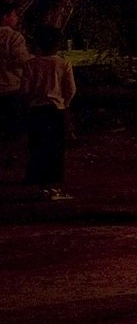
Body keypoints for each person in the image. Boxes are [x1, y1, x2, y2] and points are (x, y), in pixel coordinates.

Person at [21, 24, 75, 201]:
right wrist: (64, 103)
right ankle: (54, 184)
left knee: (37, 145)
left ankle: (40, 183)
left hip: (36, 110)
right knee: (56, 147)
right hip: (55, 111)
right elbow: (70, 89)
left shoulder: (31, 64)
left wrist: (29, 103)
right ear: (57, 44)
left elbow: (25, 89)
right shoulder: (63, 63)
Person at [0, 1, 34, 157]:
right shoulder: (13, 37)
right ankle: (10, 158)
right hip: (10, 87)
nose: (16, 18)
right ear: (6, 17)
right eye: (14, 15)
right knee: (13, 128)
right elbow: (22, 60)